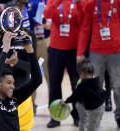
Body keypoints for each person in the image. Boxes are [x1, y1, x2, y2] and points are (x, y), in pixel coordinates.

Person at [0, 1, 37, 130]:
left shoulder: (29, 35)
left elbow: (33, 67)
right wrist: (5, 62)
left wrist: (17, 62)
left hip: (22, 91)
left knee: (23, 127)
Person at [0, 31, 42, 131]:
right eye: (8, 83)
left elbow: (37, 80)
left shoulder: (14, 98)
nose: (13, 86)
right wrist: (5, 51)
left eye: (13, 83)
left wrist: (30, 51)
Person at [77, 0, 120, 128]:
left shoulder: (119, 3)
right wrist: (80, 52)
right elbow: (85, 29)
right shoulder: (91, 4)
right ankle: (95, 120)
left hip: (117, 52)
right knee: (94, 87)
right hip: (96, 52)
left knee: (119, 87)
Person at [43, 0, 85, 128]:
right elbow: (47, 14)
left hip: (73, 49)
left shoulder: (78, 1)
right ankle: (55, 117)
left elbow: (82, 20)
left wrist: (77, 4)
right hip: (55, 49)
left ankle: (77, 116)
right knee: (54, 84)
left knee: (75, 84)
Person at [61, 59, 106, 131]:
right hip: (101, 107)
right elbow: (103, 92)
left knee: (91, 127)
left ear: (81, 74)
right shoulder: (97, 81)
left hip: (94, 110)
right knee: (95, 125)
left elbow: (74, 96)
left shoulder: (82, 85)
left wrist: (65, 101)